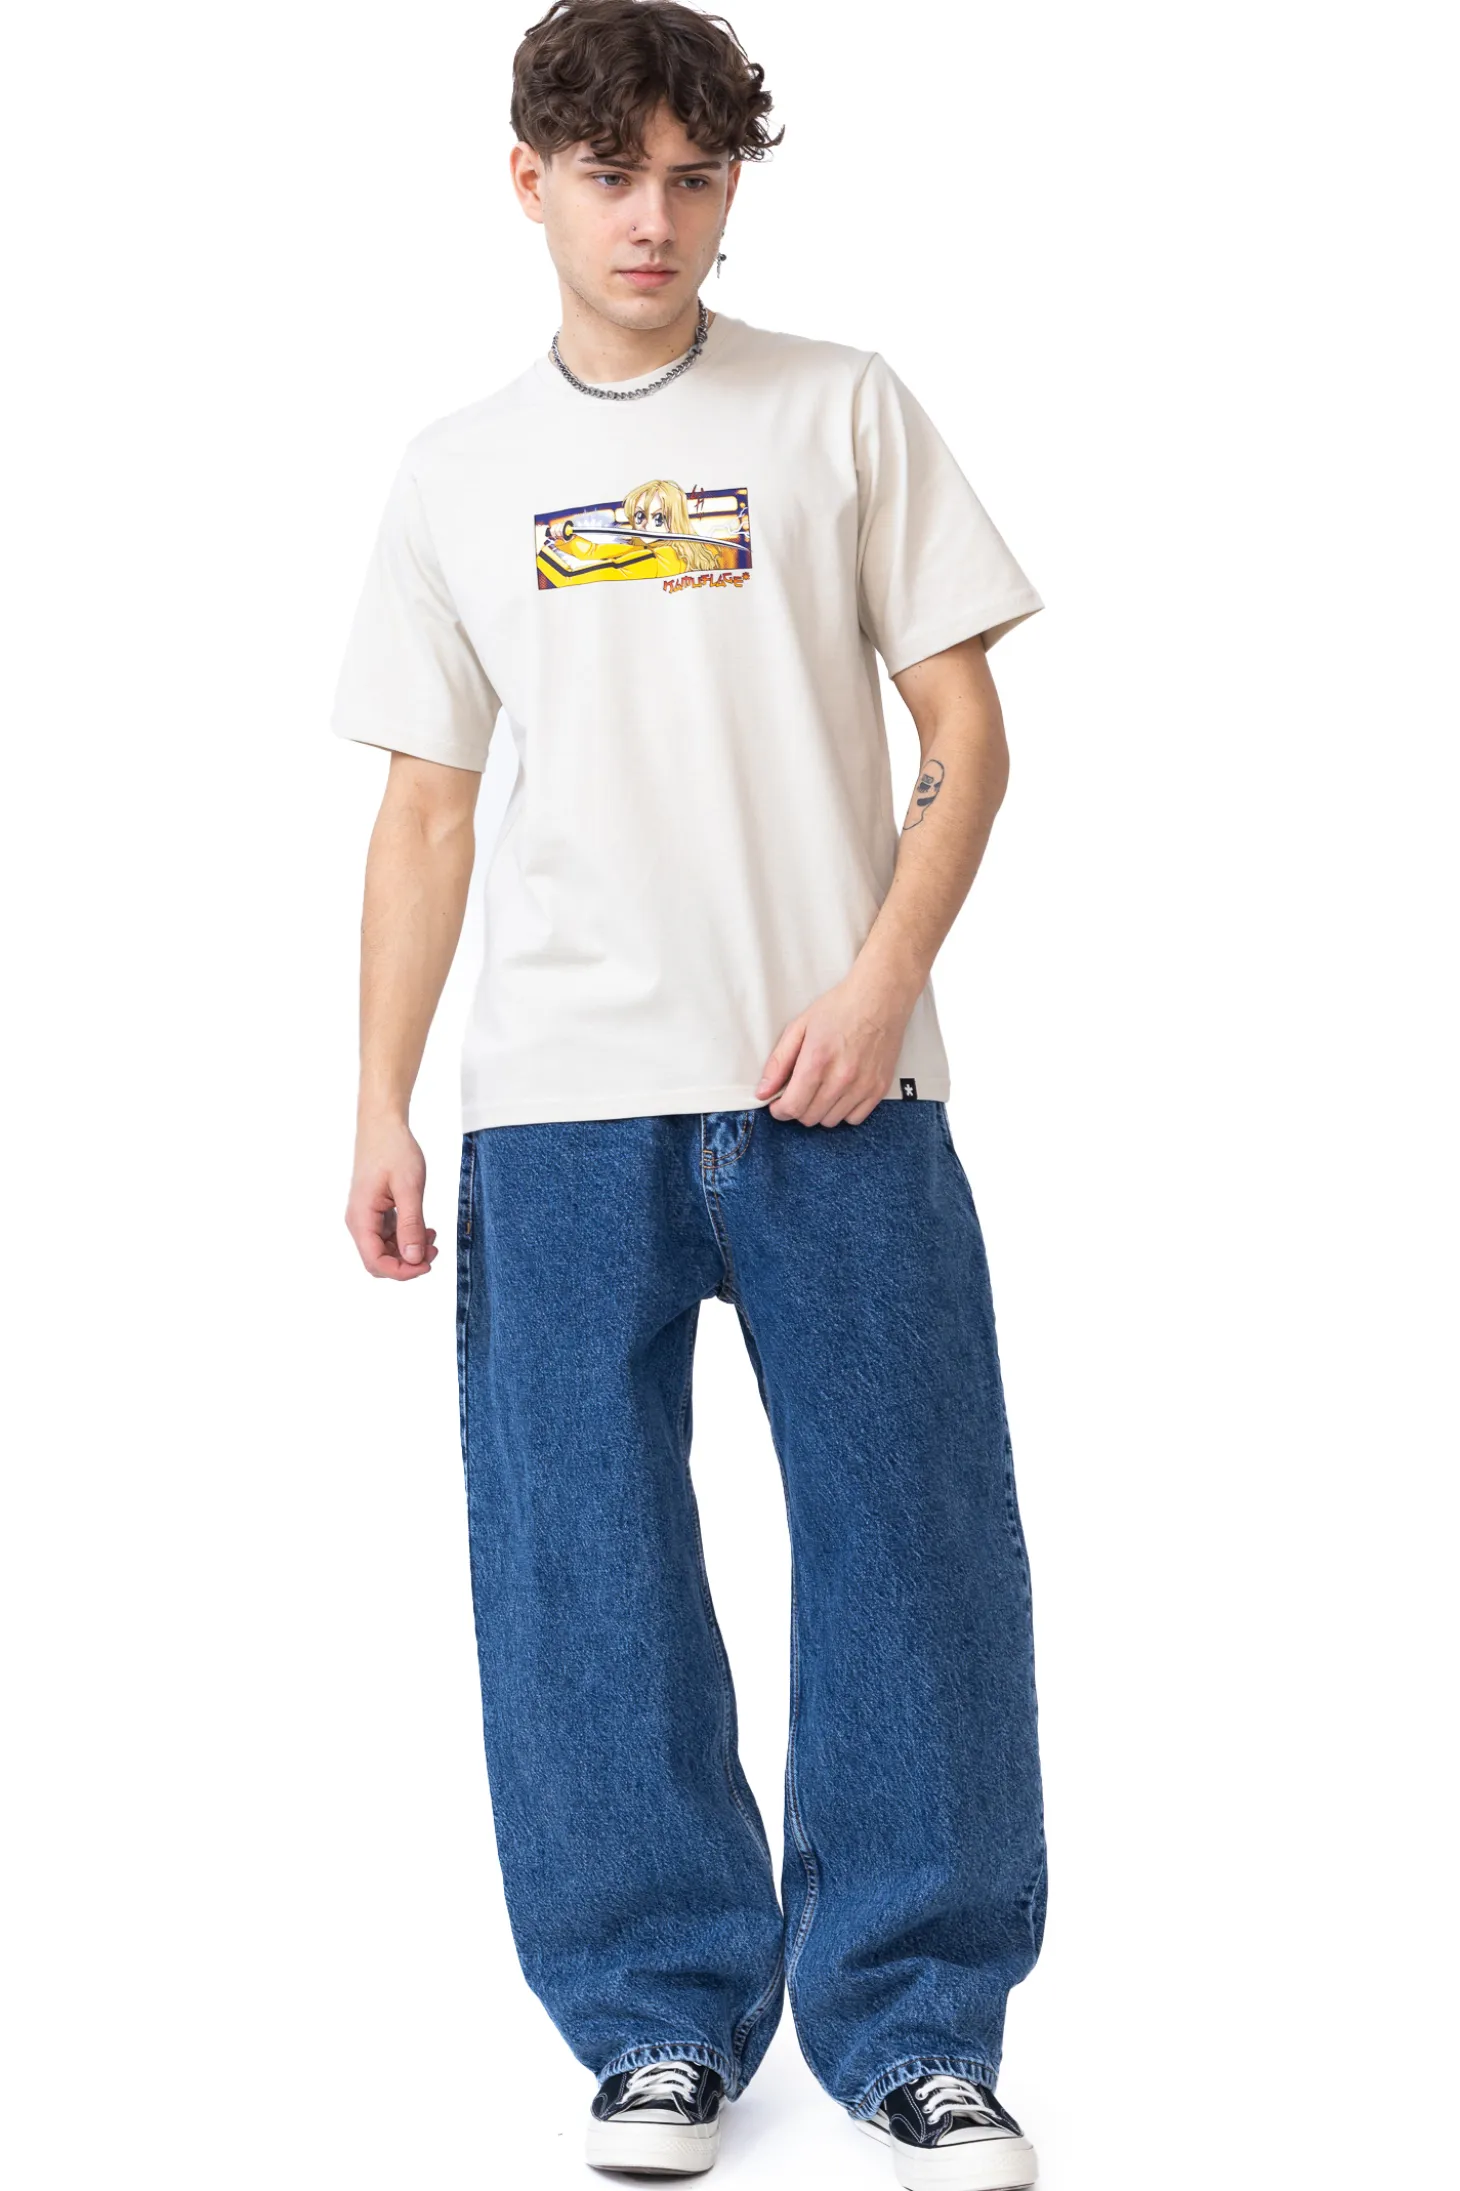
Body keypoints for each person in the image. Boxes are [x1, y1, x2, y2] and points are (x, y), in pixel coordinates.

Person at [331, 3, 1048, 2183]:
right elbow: (426, 814)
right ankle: (657, 2021)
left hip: (842, 1089)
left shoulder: (841, 409)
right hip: (558, 1107)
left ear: (732, 185)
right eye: (610, 173)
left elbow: (966, 736)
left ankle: (917, 2027)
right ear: (528, 180)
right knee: (582, 1574)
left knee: (913, 1551)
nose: (653, 217)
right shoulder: (454, 471)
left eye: (694, 176)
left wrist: (881, 982)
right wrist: (379, 1100)